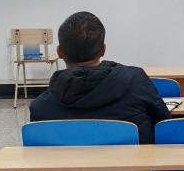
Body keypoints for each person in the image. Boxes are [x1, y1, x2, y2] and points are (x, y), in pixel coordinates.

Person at [30, 11, 170, 143]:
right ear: (103, 50)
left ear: (59, 52)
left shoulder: (40, 108)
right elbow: (165, 126)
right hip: (133, 161)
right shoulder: (136, 80)